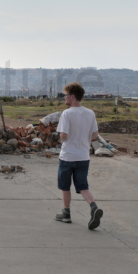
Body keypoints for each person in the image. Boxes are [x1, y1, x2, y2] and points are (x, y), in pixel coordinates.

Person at [53, 82, 103, 230]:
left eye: (65, 95)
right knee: (83, 186)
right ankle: (94, 207)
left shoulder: (67, 113)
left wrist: (62, 140)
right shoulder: (90, 113)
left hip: (68, 156)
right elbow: (95, 135)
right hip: (83, 156)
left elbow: (63, 135)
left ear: (72, 96)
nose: (64, 98)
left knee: (65, 186)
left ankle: (66, 213)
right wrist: (84, 140)